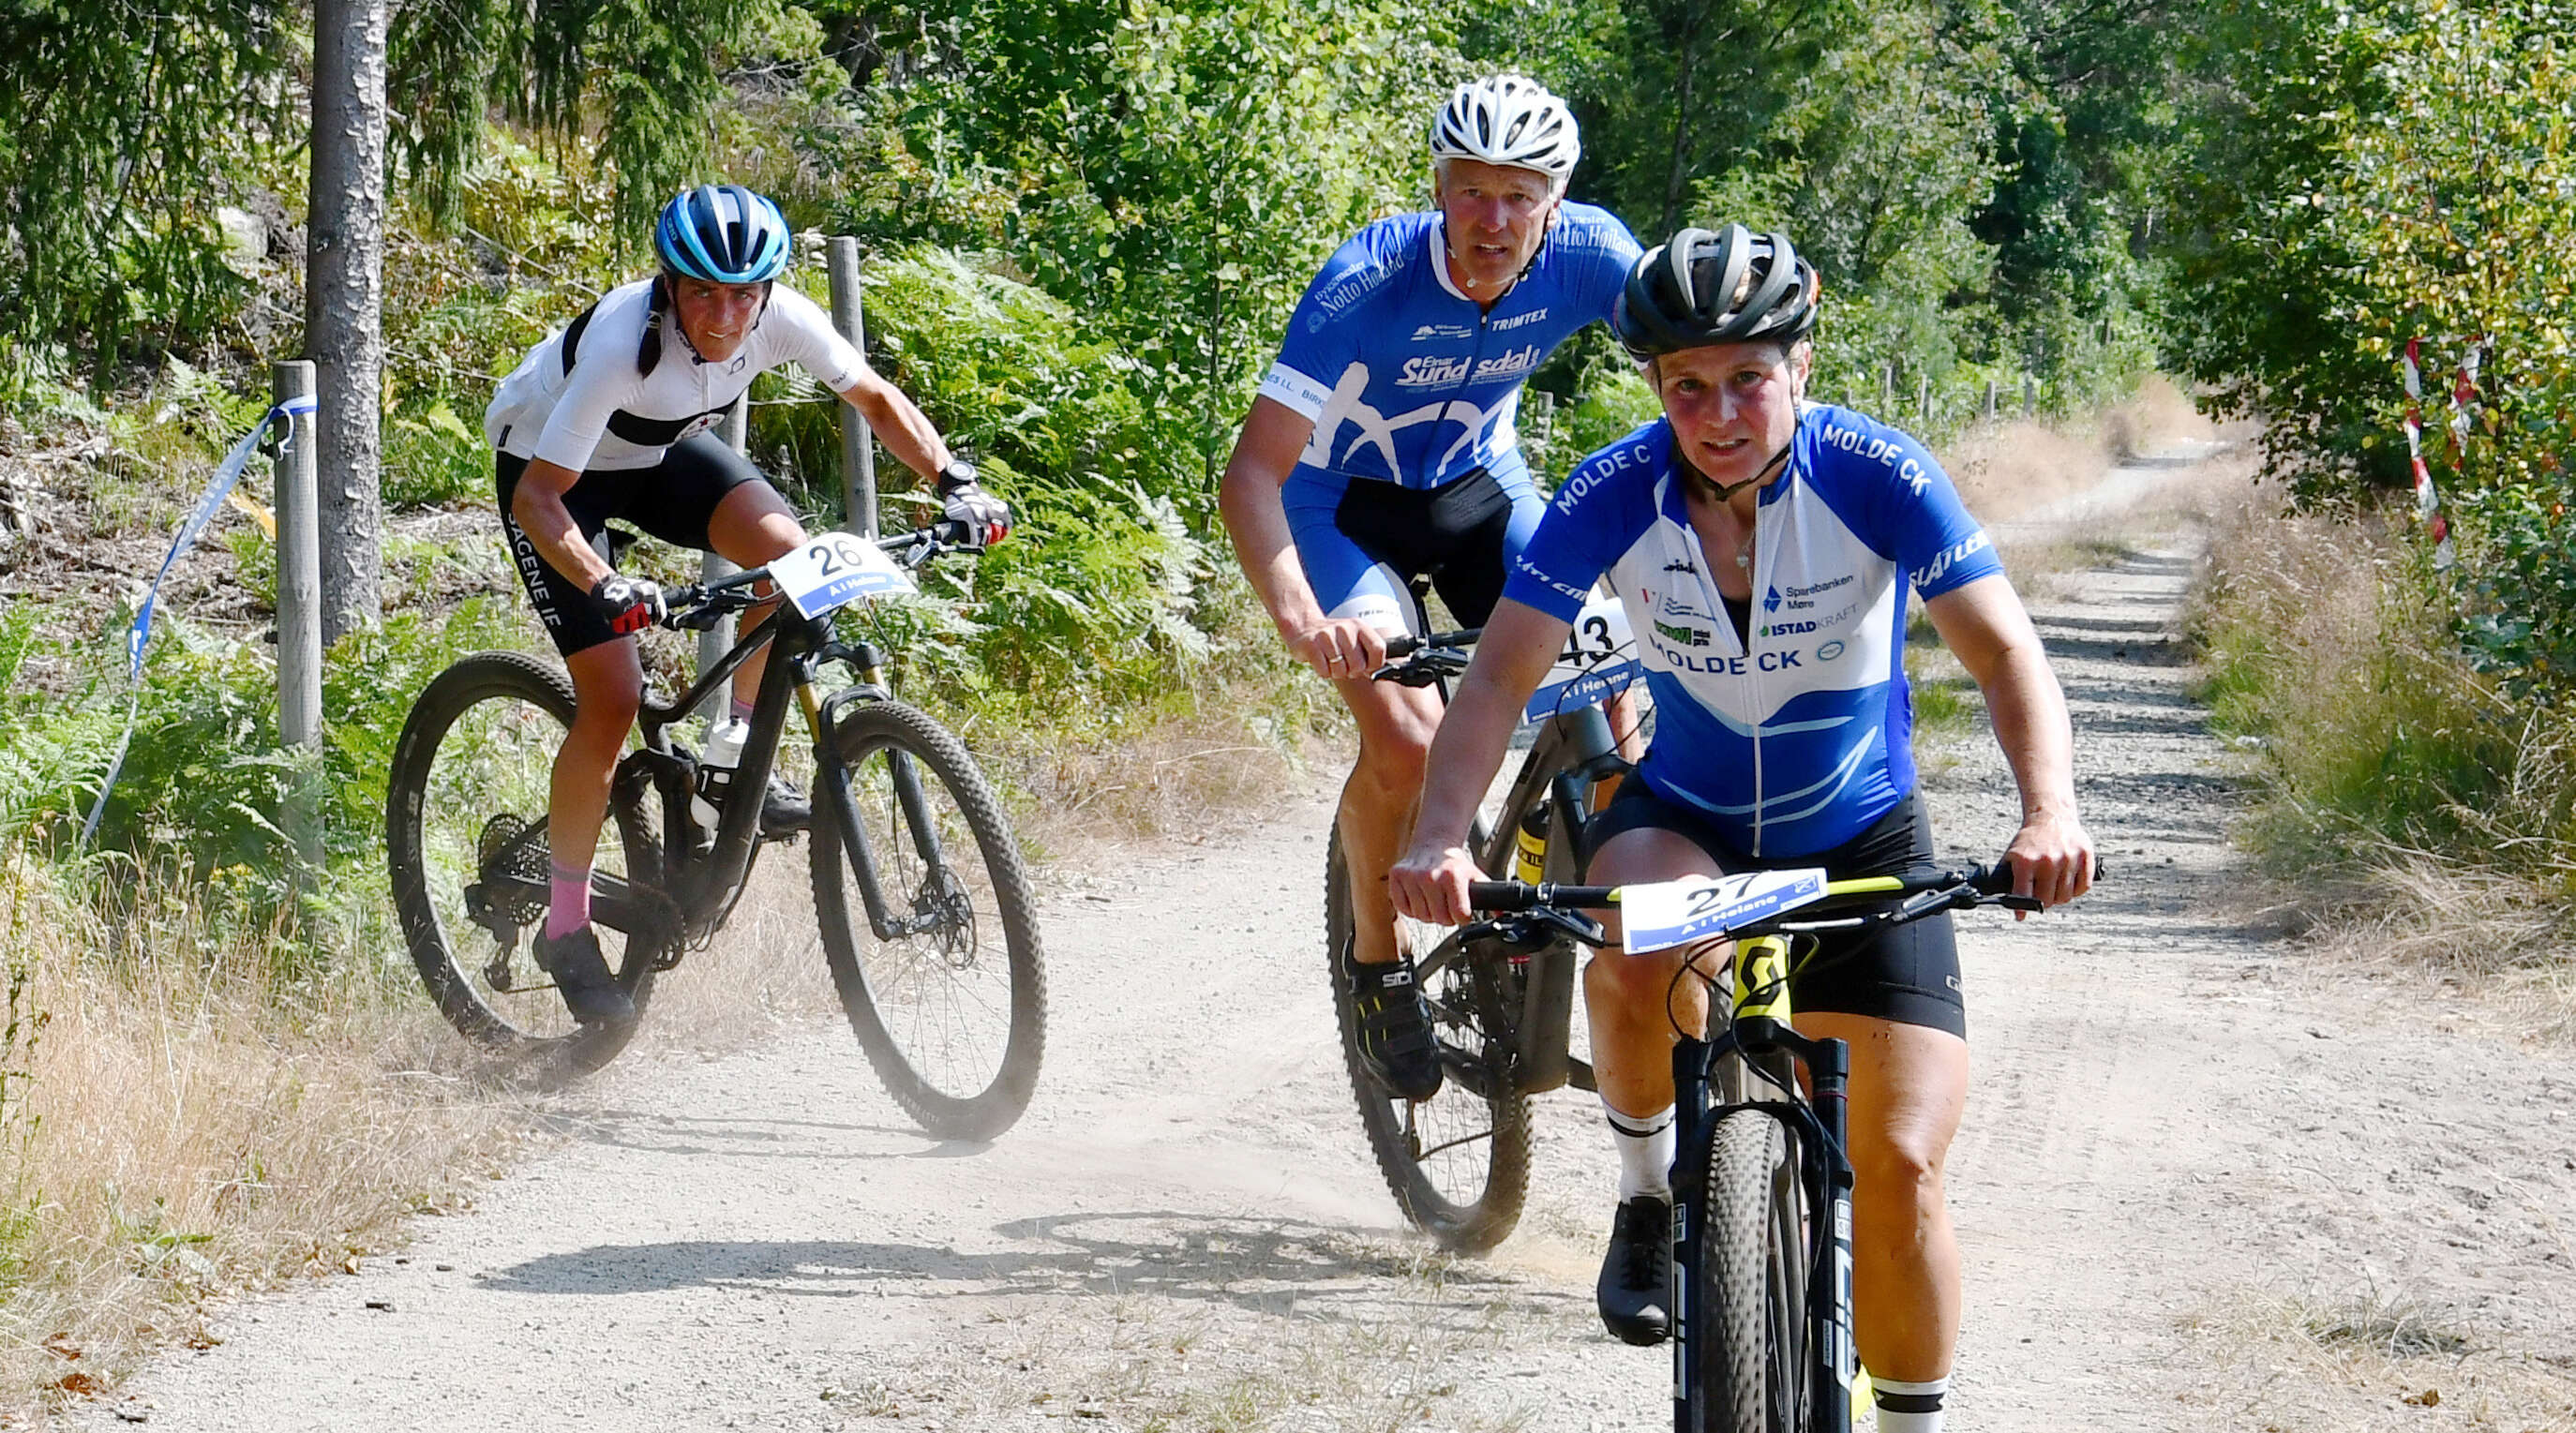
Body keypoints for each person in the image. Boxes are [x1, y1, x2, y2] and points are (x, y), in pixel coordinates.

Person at [1387, 224, 2094, 1431]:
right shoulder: (1614, 491)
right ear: (1656, 386)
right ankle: (1648, 1191)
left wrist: (2050, 811)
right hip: (1692, 818)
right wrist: (1440, 834)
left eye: (1748, 379)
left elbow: (2003, 653)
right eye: (1688, 385)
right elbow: (1501, 676)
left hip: (1860, 832)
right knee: (1630, 945)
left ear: (1800, 364)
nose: (1718, 413)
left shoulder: (1877, 472)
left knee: (1902, 1168)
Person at [483, 183, 1011, 1027]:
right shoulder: (622, 346)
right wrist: (603, 581)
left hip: (658, 453)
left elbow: (875, 398)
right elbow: (539, 499)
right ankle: (566, 924)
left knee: (791, 563)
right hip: (552, 475)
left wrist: (955, 481)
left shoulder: (781, 316)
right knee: (614, 699)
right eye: (703, 292)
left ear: (767, 291)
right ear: (668, 285)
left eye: (744, 294)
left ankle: (729, 751)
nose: (726, 316)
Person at [1218, 75, 1641, 1100]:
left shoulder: (1593, 253)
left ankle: (1566, 880)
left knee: (1614, 698)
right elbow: (1253, 475)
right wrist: (1305, 620)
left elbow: (1698, 353)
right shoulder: (1367, 279)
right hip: (1340, 507)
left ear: (1556, 199)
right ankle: (1376, 958)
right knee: (1410, 737)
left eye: (1519, 195)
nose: (1493, 220)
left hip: (1480, 491)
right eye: (1471, 191)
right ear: (1438, 187)